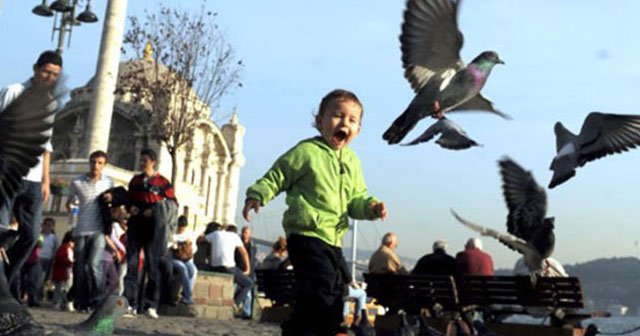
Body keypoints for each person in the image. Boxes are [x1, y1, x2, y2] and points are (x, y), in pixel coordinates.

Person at [242, 89, 388, 335]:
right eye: (337, 116)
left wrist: (372, 207)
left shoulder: (352, 161)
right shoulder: (307, 151)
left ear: (358, 131)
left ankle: (305, 329)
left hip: (332, 239)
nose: (344, 123)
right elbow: (279, 174)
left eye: (352, 120)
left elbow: (355, 200)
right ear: (320, 121)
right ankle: (323, 328)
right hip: (307, 234)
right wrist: (258, 193)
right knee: (322, 291)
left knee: (326, 292)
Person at [0, 50, 62, 300]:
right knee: (2, 232)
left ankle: (5, 279)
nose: (50, 78)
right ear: (35, 69)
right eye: (46, 72)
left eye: (55, 75)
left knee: (30, 234)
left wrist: (47, 180)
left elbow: (46, 145)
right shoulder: (13, 91)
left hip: (34, 181)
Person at [123, 148, 178, 319]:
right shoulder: (135, 181)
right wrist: (129, 207)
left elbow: (173, 204)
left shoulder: (163, 183)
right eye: (141, 160)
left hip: (154, 226)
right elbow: (129, 199)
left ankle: (150, 304)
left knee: (153, 267)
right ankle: (129, 303)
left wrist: (155, 211)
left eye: (145, 161)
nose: (142, 163)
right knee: (132, 264)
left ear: (153, 162)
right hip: (136, 223)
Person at [67, 150, 114, 312]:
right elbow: (70, 203)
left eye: (100, 163)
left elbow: (112, 204)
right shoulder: (77, 182)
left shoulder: (108, 183)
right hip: (80, 230)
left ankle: (97, 301)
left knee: (94, 265)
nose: (96, 165)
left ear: (104, 165)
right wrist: (71, 208)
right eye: (93, 162)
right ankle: (81, 301)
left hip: (98, 230)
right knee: (79, 267)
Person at [199, 222, 253, 319]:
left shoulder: (216, 234)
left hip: (215, 266)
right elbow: (244, 253)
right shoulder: (235, 236)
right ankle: (234, 303)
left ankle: (233, 303)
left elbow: (201, 239)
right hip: (229, 268)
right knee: (248, 283)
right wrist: (248, 269)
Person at [168, 215, 197, 305]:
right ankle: (188, 296)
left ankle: (185, 293)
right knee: (182, 268)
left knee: (194, 270)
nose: (181, 230)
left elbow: (195, 248)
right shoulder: (172, 234)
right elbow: (167, 246)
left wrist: (188, 246)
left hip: (186, 258)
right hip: (174, 258)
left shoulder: (189, 234)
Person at [51, 231, 74, 311]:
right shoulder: (64, 248)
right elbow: (61, 259)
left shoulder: (68, 248)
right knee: (60, 289)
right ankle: (57, 303)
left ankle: (63, 303)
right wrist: (71, 262)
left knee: (65, 289)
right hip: (62, 272)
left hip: (66, 272)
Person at [238, 226, 257, 318]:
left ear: (250, 234)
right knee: (238, 290)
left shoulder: (253, 246)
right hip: (239, 269)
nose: (244, 234)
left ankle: (247, 312)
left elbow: (252, 261)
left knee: (248, 294)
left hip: (249, 272)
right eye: (243, 232)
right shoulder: (238, 243)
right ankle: (242, 309)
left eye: (246, 232)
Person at [38, 217, 58, 301]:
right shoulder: (39, 235)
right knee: (38, 277)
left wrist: (54, 259)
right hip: (38, 258)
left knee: (46, 279)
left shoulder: (53, 238)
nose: (47, 227)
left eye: (50, 225)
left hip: (48, 259)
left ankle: (42, 295)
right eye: (45, 225)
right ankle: (37, 294)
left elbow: (55, 249)